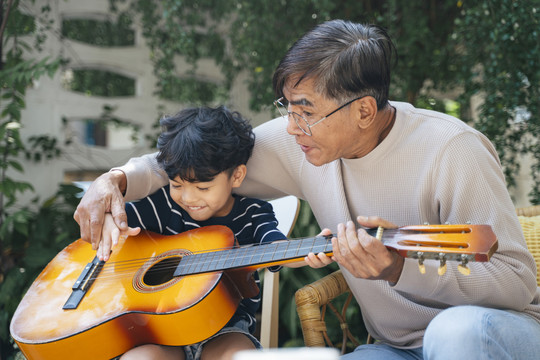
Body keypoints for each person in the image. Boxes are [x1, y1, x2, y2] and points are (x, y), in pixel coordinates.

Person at [75, 20, 540, 359]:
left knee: (453, 334)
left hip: (495, 335)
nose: (291, 127)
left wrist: (400, 269)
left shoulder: (452, 150)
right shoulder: (300, 142)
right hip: (397, 350)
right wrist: (112, 180)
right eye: (287, 108)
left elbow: (515, 284)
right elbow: (196, 161)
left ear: (363, 111)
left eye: (305, 110)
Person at [95, 105, 294, 360]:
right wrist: (110, 220)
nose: (188, 198)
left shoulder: (253, 213)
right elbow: (114, 220)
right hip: (158, 329)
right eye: (177, 184)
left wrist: (309, 253)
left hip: (225, 327)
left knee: (236, 356)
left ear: (237, 176)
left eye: (203, 187)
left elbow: (275, 245)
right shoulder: (164, 204)